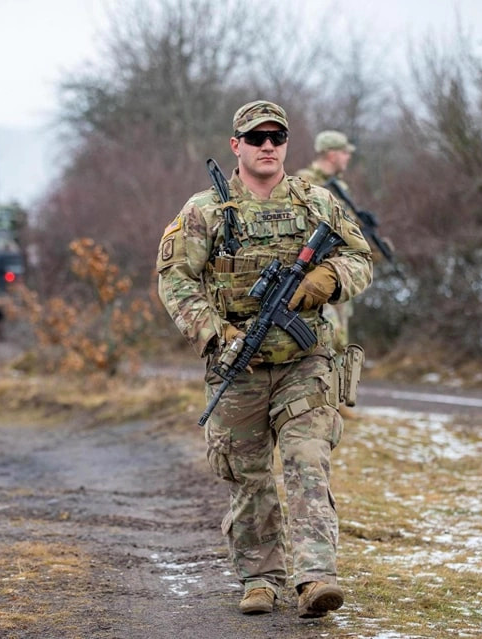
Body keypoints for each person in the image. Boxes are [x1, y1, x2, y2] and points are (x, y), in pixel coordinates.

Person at [156, 101, 372, 617]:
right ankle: (259, 578)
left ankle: (315, 577)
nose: (268, 146)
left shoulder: (315, 201)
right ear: (237, 145)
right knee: (247, 476)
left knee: (306, 462)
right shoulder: (205, 210)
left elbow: (359, 257)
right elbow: (175, 279)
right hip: (239, 367)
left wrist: (328, 279)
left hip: (307, 362)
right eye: (256, 138)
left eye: (277, 137)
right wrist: (217, 333)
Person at [296, 131, 359, 352]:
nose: (348, 158)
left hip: (339, 273)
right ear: (332, 155)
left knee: (341, 344)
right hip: (315, 275)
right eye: (344, 153)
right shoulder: (306, 183)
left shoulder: (339, 186)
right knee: (327, 343)